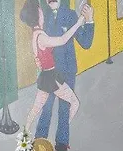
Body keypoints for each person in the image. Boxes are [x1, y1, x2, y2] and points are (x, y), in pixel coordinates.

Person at [35, 0, 94, 151]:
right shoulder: (43, 16)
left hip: (67, 71)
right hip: (49, 72)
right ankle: (39, 140)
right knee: (46, 107)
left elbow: (86, 43)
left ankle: (62, 140)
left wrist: (89, 20)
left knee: (64, 107)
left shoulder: (70, 15)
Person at [20, 0, 87, 134]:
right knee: (75, 103)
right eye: (40, 11)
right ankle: (63, 129)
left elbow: (38, 57)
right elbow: (62, 40)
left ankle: (24, 134)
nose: (43, 13)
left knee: (36, 108)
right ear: (37, 15)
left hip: (45, 77)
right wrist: (78, 23)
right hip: (53, 78)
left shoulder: (36, 34)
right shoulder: (41, 36)